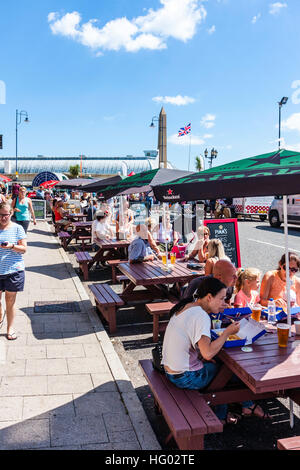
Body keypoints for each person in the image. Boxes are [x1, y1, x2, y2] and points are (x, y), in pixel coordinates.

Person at [162, 277, 267, 423]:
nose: (224, 303)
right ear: (209, 297)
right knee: (227, 371)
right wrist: (227, 333)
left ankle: (236, 408)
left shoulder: (186, 306)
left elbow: (197, 348)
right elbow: (208, 353)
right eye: (222, 299)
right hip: (184, 377)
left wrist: (201, 355)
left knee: (220, 366)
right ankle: (224, 415)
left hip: (171, 370)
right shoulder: (201, 316)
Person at [0, 200, 27, 340]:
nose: (2, 218)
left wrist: (11, 246)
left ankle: (10, 328)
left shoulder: (17, 228)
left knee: (10, 301)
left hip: (13, 270)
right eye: (0, 215)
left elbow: (24, 249)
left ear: (11, 213)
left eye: (5, 215)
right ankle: (0, 313)